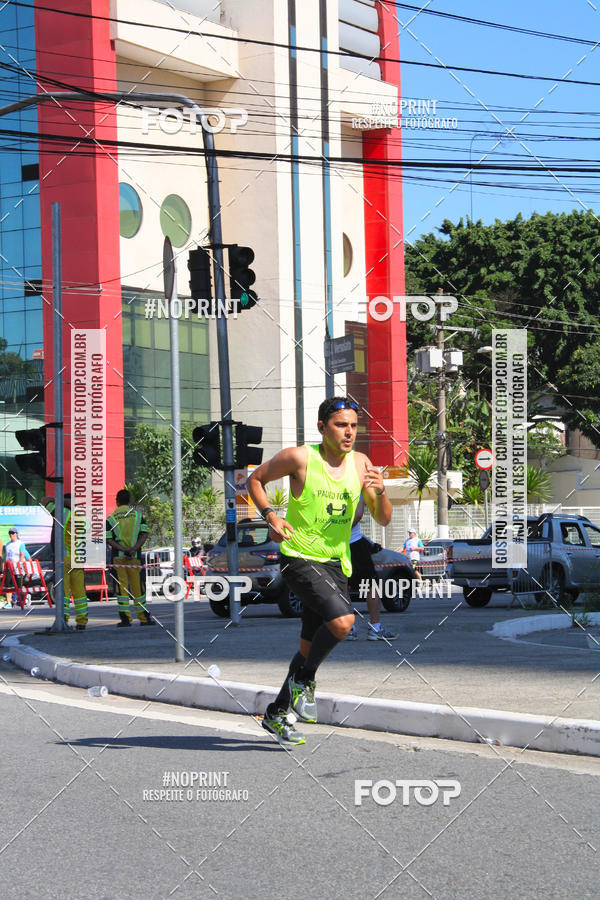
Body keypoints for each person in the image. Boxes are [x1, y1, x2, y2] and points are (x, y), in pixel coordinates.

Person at [248, 396, 392, 746]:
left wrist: (381, 491)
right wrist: (271, 515)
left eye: (354, 426)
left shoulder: (361, 464)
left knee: (307, 646)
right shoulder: (300, 457)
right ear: (322, 427)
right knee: (344, 623)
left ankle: (277, 712)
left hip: (336, 562)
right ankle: (304, 681)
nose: (349, 433)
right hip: (298, 556)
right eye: (341, 425)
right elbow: (255, 479)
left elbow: (383, 517)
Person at [346, 497, 397, 641]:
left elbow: (358, 515)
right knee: (347, 585)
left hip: (350, 542)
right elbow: (358, 514)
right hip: (347, 543)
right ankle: (352, 628)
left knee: (364, 585)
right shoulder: (354, 481)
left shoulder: (354, 483)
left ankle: (368, 628)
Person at [106, 488, 153, 626]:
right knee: (138, 588)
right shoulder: (138, 516)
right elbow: (144, 534)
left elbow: (109, 539)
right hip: (135, 559)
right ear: (129, 501)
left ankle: (125, 619)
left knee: (122, 589)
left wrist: (123, 549)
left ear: (117, 502)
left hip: (118, 559)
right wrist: (133, 549)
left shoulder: (111, 519)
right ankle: (144, 618)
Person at [2, 529, 26, 608]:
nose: (11, 535)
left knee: (19, 585)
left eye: (13, 533)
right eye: (10, 533)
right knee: (8, 585)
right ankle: (9, 602)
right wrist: (4, 567)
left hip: (18, 567)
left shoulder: (20, 543)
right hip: (9, 567)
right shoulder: (8, 544)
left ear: (16, 534)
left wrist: (20, 564)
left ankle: (21, 600)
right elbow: (6, 557)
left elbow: (22, 554)